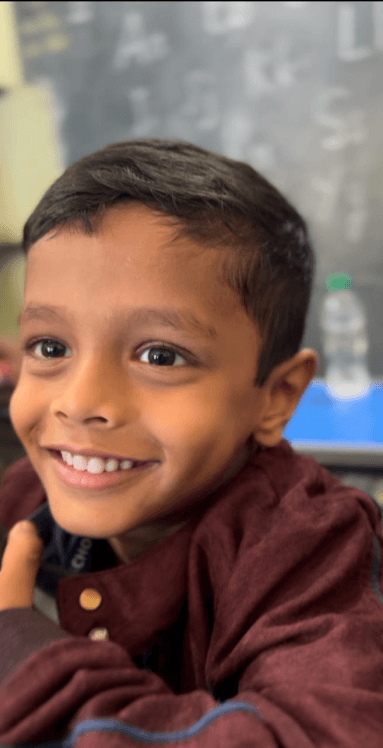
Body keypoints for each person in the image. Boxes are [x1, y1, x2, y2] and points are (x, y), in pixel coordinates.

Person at [0, 139, 381, 747]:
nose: (80, 402)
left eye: (160, 355)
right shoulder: (26, 496)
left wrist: (20, 655)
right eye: (51, 347)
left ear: (276, 397)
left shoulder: (306, 545)